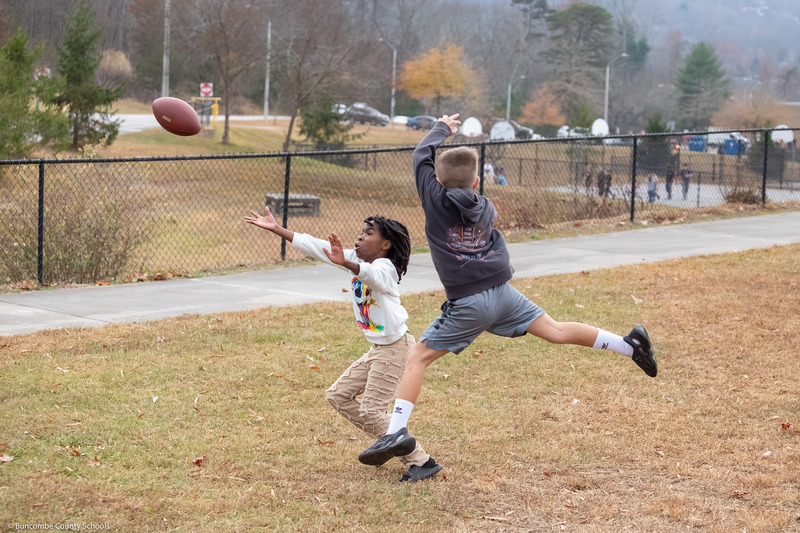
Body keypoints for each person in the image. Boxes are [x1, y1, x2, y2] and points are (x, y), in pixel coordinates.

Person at [358, 114, 657, 468]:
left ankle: (397, 430)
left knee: (416, 358)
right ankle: (629, 344)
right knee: (556, 330)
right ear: (478, 180)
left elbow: (420, 153)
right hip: (503, 292)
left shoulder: (435, 200)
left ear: (436, 181)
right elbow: (445, 176)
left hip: (470, 301)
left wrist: (442, 128)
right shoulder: (484, 206)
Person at [244, 207, 443, 483]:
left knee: (373, 411)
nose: (359, 238)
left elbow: (373, 276)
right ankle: (391, 440)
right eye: (361, 232)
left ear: (385, 245)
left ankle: (421, 460)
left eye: (368, 234)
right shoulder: (355, 260)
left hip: (395, 348)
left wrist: (349, 264)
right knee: (338, 395)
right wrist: (277, 229)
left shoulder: (385, 267)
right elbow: (317, 246)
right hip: (378, 349)